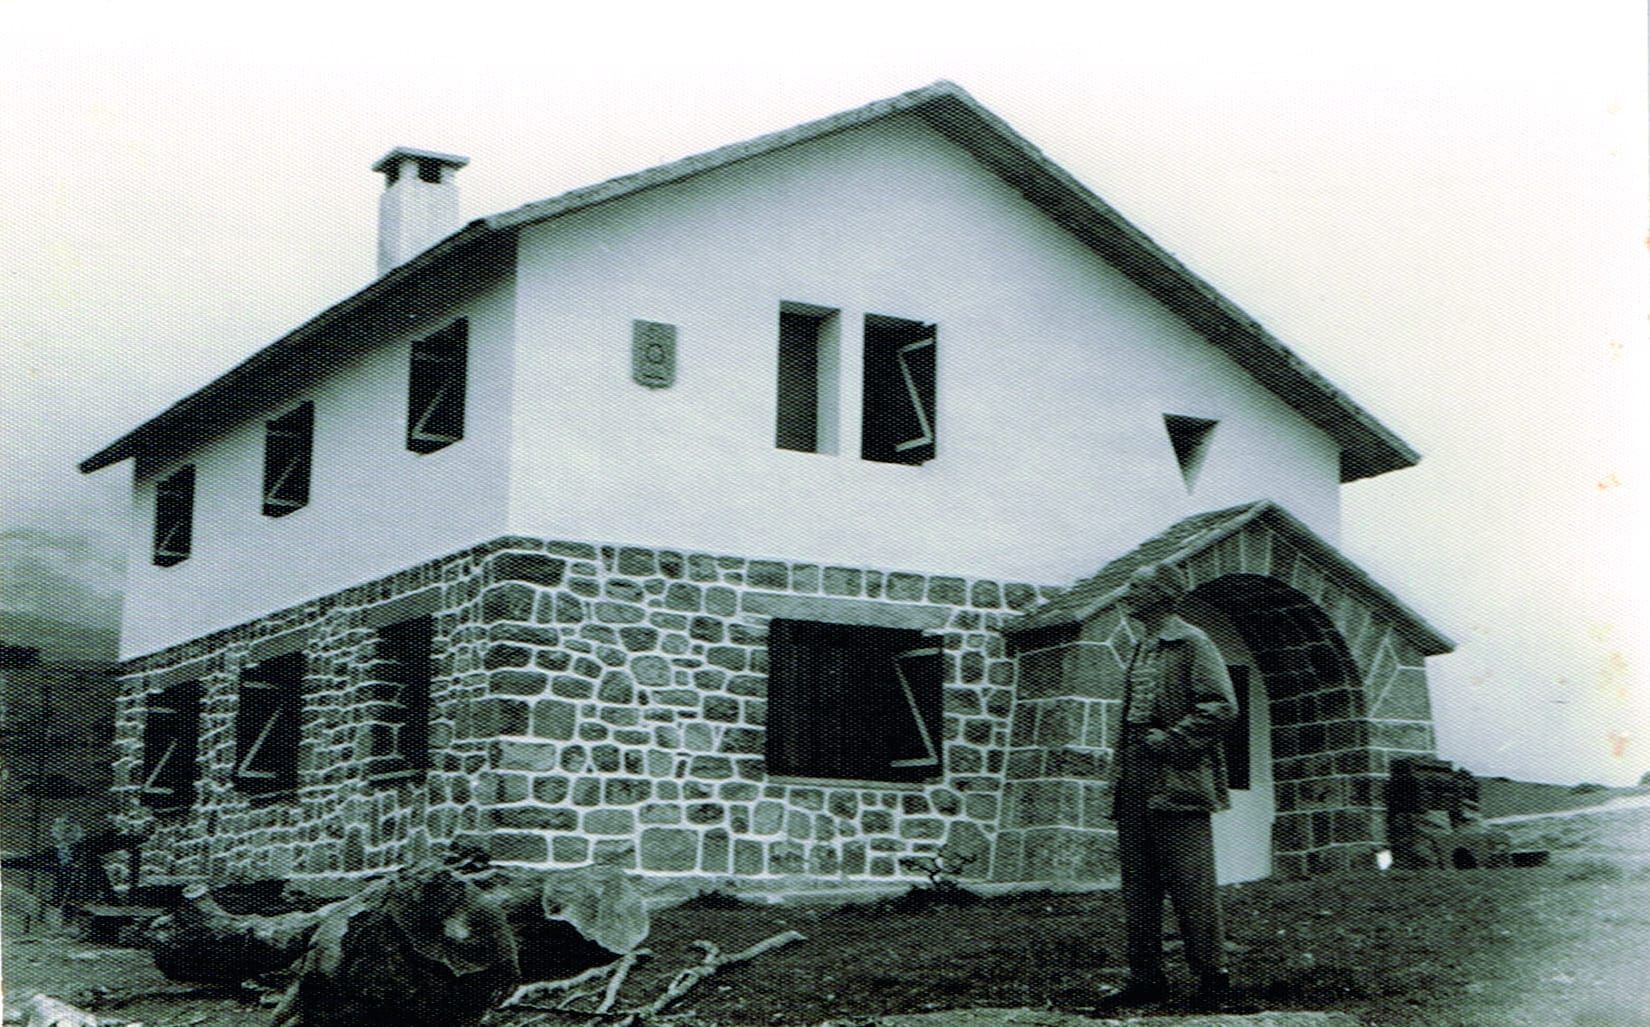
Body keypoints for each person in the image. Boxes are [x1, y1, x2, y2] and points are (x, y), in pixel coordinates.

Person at [1101, 561, 1240, 1013]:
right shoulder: (1141, 647)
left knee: (1190, 881)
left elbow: (1221, 706)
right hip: (1133, 774)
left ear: (1161, 594)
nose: (1127, 592)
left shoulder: (1193, 642)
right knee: (1138, 883)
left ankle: (1213, 979)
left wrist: (1175, 740)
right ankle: (1146, 979)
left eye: (1136, 586)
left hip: (1176, 776)